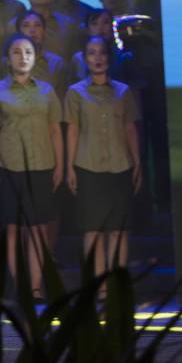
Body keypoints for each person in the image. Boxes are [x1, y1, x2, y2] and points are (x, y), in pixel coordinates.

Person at [0, 34, 64, 289]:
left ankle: (36, 286)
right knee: (13, 228)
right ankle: (19, 285)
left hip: (42, 165)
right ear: (8, 59)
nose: (23, 57)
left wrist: (60, 166)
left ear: (35, 57)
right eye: (16, 52)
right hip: (10, 166)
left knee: (38, 228)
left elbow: (55, 130)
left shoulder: (47, 90)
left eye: (28, 52)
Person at [65, 34, 142, 283]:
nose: (97, 58)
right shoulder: (75, 92)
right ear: (85, 58)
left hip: (120, 165)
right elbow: (73, 130)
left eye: (102, 53)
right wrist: (69, 167)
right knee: (93, 230)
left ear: (109, 57)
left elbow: (130, 127)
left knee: (119, 230)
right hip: (88, 166)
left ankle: (117, 285)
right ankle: (98, 286)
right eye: (92, 53)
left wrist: (137, 162)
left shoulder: (123, 91)